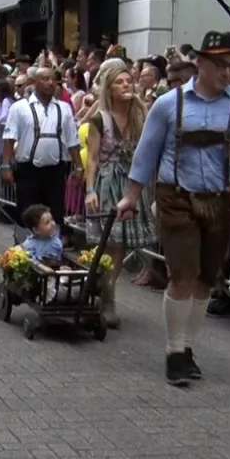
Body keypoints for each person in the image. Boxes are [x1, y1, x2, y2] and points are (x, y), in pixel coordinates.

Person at [117, 31, 230, 386]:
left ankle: (187, 347)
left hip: (220, 200)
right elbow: (146, 153)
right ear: (199, 63)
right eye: (220, 65)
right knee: (182, 274)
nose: (227, 73)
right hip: (176, 198)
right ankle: (173, 351)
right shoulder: (169, 104)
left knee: (205, 281)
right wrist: (131, 195)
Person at [83, 58, 155, 328]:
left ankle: (108, 292)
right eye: (119, 82)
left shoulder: (138, 115)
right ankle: (106, 294)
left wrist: (140, 105)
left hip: (131, 183)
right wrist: (90, 190)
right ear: (109, 89)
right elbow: (91, 159)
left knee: (119, 245)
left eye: (128, 81)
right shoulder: (100, 119)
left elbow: (150, 140)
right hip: (108, 181)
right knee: (108, 243)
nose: (126, 85)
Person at [1, 67, 80, 226]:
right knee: (27, 213)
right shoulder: (19, 107)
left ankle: (52, 248)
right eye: (45, 79)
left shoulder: (64, 108)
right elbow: (9, 138)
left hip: (56, 171)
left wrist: (79, 166)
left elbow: (72, 141)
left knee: (55, 214)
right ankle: (24, 249)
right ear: (34, 82)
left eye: (53, 80)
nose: (50, 83)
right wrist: (6, 165)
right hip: (27, 170)